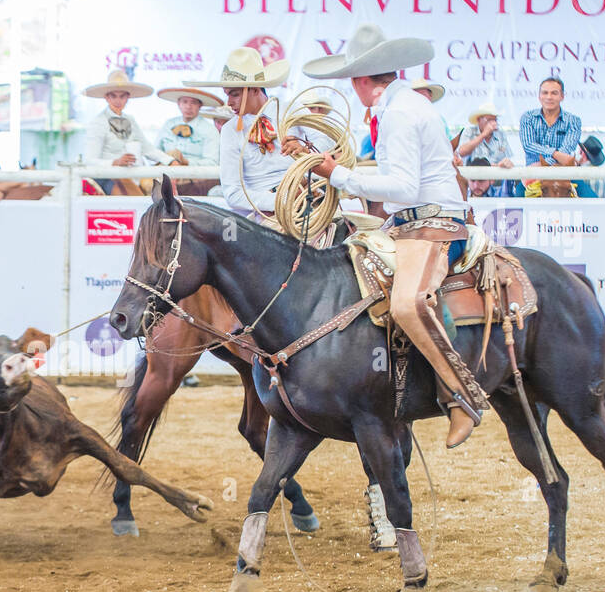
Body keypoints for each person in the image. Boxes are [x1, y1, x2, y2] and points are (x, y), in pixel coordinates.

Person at [305, 23, 486, 448]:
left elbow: (402, 188)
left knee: (406, 303)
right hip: (414, 220)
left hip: (433, 223)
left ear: (362, 80)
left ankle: (460, 396)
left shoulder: (400, 113)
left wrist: (338, 175)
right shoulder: (401, 106)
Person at [184, 46, 310, 219]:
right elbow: (233, 194)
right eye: (227, 94)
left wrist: (306, 150)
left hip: (308, 196)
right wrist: (281, 201)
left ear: (255, 89)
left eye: (234, 94)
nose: (229, 102)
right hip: (268, 214)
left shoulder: (292, 110)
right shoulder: (230, 130)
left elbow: (329, 144)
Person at [82, 70, 172, 194]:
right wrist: (115, 162)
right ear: (106, 97)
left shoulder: (130, 120)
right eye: (113, 96)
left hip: (133, 176)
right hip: (107, 178)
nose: (118, 101)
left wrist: (170, 160)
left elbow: (147, 148)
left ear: (128, 97)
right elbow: (89, 160)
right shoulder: (98, 122)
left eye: (122, 96)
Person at [519, 77, 581, 167]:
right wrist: (555, 154)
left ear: (562, 96)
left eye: (554, 93)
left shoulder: (573, 121)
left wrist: (544, 164)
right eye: (545, 93)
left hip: (562, 172)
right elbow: (528, 146)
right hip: (533, 174)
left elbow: (566, 150)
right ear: (539, 96)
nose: (549, 97)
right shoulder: (528, 117)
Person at [154, 87, 222, 166]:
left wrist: (186, 162)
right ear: (179, 104)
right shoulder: (168, 124)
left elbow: (212, 162)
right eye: (185, 102)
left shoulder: (209, 129)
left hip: (194, 174)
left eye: (193, 103)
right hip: (166, 170)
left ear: (200, 105)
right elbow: (156, 152)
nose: (188, 107)